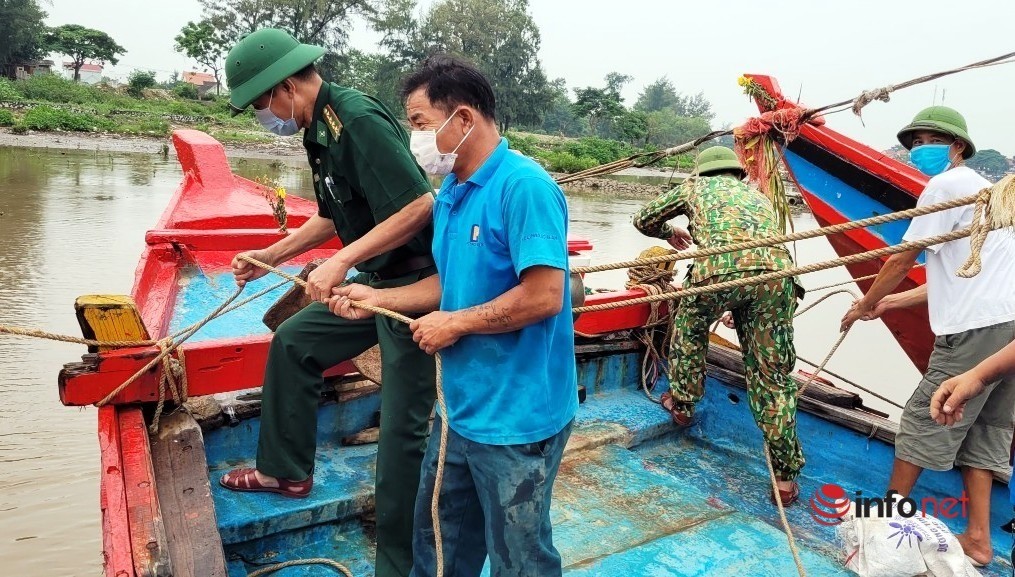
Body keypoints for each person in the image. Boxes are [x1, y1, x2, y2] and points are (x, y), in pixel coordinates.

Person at [332, 55, 577, 577]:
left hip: (517, 420)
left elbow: (544, 295)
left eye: (419, 124)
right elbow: (451, 281)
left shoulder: (524, 187)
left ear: (461, 119)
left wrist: (457, 323)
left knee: (521, 557)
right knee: (441, 543)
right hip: (459, 409)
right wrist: (375, 299)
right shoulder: (451, 196)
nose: (415, 137)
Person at [216, 28, 438, 577]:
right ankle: (285, 471)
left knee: (403, 431)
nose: (262, 116)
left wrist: (341, 263)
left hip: (414, 288)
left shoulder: (355, 121)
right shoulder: (318, 130)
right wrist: (272, 250)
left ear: (286, 87)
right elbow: (330, 214)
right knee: (295, 340)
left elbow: (419, 207)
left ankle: (399, 563)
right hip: (375, 275)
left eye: (261, 104)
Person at [841, 106, 1015, 566]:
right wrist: (891, 303)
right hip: (1010, 329)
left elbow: (901, 259)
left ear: (957, 147)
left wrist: (863, 303)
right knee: (986, 428)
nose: (921, 150)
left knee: (923, 416)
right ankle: (978, 538)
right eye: (915, 142)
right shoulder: (987, 191)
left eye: (930, 140)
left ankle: (883, 530)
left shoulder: (947, 186)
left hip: (974, 329)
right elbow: (961, 275)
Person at [632, 146, 804, 504]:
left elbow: (643, 219)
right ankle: (785, 480)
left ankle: (682, 404)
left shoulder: (694, 187)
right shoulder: (756, 195)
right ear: (736, 173)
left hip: (717, 272)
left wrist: (669, 233)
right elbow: (751, 250)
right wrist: (742, 305)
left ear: (702, 173)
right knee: (772, 376)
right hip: (776, 277)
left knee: (688, 329)